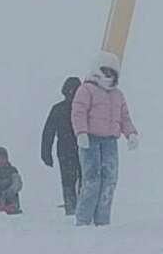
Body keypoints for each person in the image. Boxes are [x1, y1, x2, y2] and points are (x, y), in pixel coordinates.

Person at [71, 52, 139, 227]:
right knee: (92, 180)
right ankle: (83, 220)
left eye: (112, 72)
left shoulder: (118, 95)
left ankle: (102, 220)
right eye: (105, 70)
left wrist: (131, 133)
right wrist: (81, 133)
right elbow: (78, 112)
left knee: (109, 180)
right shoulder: (86, 90)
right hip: (90, 141)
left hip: (110, 142)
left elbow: (124, 117)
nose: (108, 75)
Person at [42, 76, 82, 215]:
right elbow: (48, 132)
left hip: (75, 150)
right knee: (75, 180)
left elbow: (48, 132)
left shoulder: (82, 109)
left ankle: (75, 208)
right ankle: (75, 208)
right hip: (73, 150)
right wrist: (46, 153)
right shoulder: (60, 109)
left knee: (73, 181)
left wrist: (46, 153)